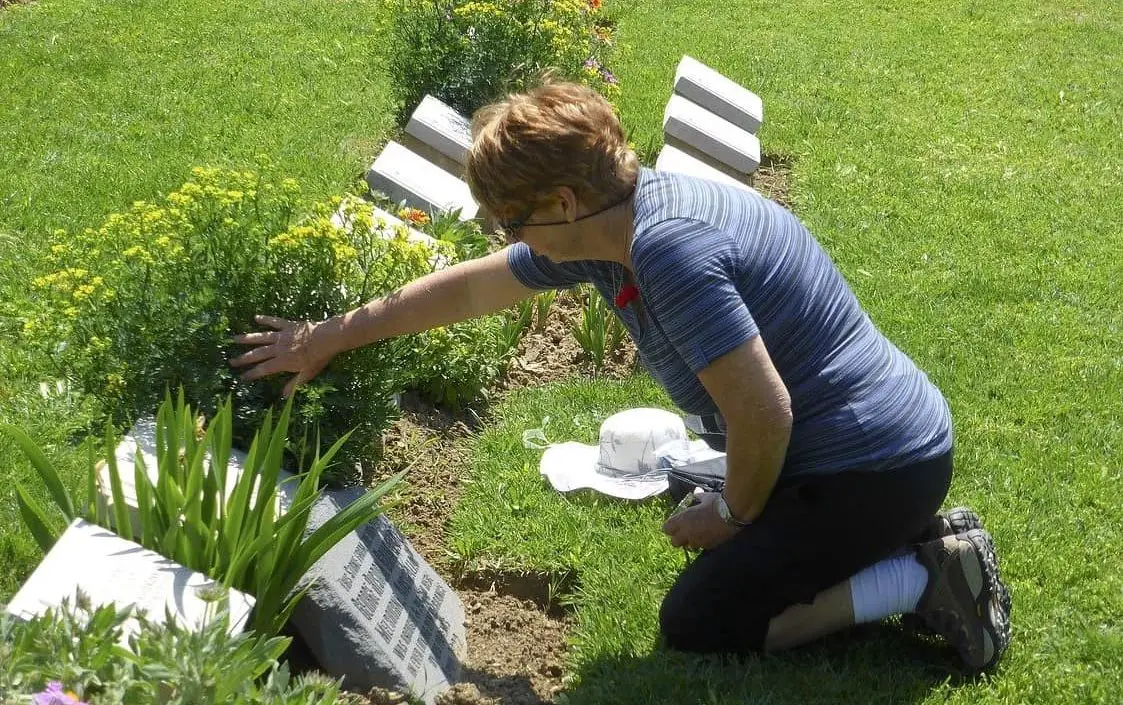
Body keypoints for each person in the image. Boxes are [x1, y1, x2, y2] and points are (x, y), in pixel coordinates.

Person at [231, 80, 1011, 671]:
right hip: (867, 447)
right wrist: (330, 335)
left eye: (513, 218)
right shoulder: (620, 223)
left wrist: (733, 515)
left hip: (868, 466)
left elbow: (765, 417)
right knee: (723, 533)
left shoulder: (670, 251)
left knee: (703, 621)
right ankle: (885, 541)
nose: (511, 236)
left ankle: (922, 574)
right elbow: (475, 287)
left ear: (563, 200)